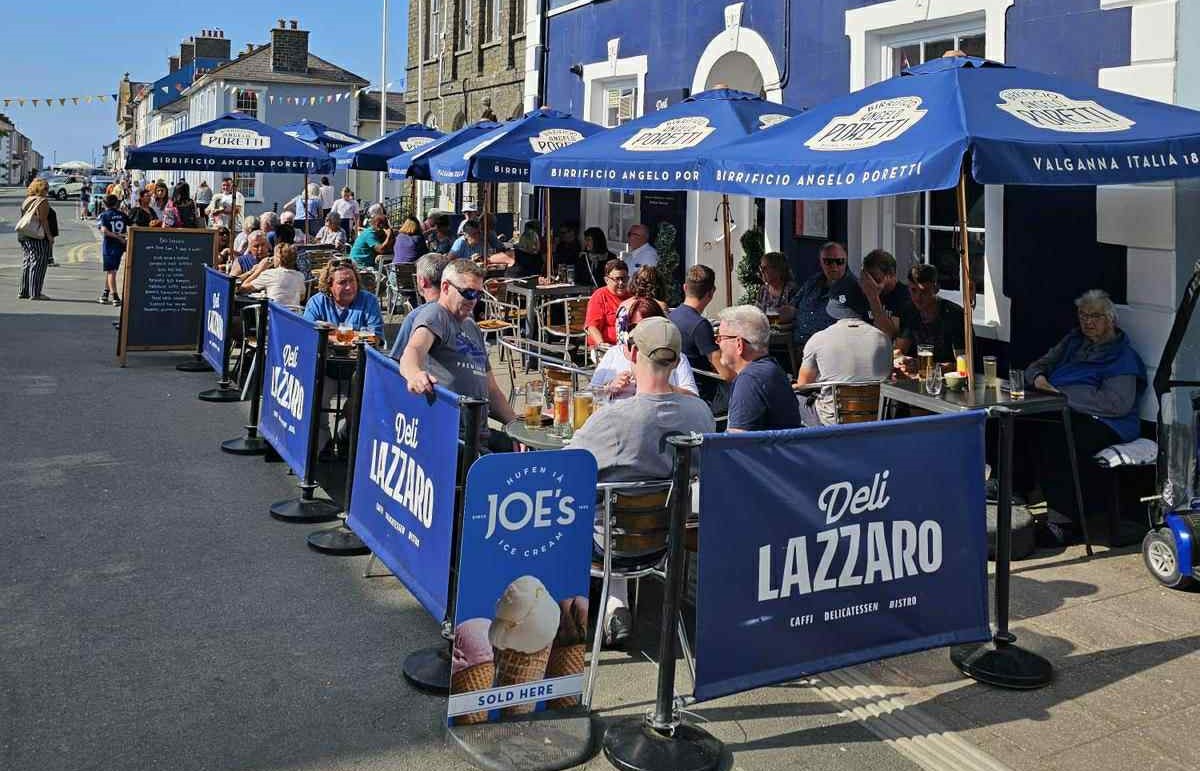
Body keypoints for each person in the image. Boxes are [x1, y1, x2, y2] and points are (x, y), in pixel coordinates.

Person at [568, 316, 714, 646]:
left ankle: (566, 624)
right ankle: (615, 601)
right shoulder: (701, 413)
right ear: (677, 361)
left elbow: (567, 469)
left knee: (580, 509)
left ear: (633, 354)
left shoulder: (613, 418)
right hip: (665, 542)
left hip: (607, 545)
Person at [1018, 289, 1147, 543]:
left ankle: (1063, 523)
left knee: (1059, 439)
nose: (1087, 321)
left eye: (1095, 316)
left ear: (1111, 320)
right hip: (1061, 407)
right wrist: (1039, 379)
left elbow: (1116, 404)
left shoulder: (1122, 357)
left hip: (1107, 422)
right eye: (1083, 315)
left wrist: (1063, 396)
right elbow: (1036, 366)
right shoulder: (1074, 342)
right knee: (1015, 422)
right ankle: (1015, 495)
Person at [398, 259, 518, 452]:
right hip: (452, 438)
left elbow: (492, 390)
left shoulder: (471, 326)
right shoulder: (436, 314)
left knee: (532, 455)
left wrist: (516, 424)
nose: (474, 300)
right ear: (445, 287)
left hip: (480, 433)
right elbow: (413, 351)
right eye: (468, 292)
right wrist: (414, 374)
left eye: (478, 294)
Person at [795, 275, 891, 426]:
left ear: (833, 309)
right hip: (875, 421)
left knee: (796, 398)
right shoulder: (883, 339)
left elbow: (802, 384)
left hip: (830, 424)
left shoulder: (817, 339)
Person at [591, 298, 699, 399]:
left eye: (646, 326)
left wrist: (661, 386)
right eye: (633, 326)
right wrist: (610, 387)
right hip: (616, 416)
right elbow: (591, 393)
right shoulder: (614, 353)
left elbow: (693, 397)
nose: (638, 331)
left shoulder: (673, 356)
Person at [718, 306, 802, 431]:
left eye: (720, 338)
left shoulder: (749, 380)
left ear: (739, 344)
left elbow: (737, 443)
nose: (718, 343)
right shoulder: (771, 369)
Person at [671, 265, 736, 408]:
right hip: (704, 395)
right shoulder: (700, 325)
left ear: (685, 287)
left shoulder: (672, 316)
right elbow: (725, 373)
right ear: (711, 292)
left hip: (676, 387)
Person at [896, 263, 965, 363]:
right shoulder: (909, 311)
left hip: (947, 376)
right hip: (918, 374)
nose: (917, 298)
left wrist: (929, 368)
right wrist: (901, 359)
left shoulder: (954, 314)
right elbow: (900, 350)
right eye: (913, 290)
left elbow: (962, 363)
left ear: (936, 289)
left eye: (924, 292)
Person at [302, 258, 385, 340]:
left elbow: (376, 338)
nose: (348, 287)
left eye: (352, 281)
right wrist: (356, 335)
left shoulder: (369, 301)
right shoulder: (317, 302)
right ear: (329, 285)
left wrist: (337, 332)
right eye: (342, 282)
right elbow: (307, 333)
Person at [389, 252, 452, 358]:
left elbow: (396, 359)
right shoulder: (464, 313)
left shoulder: (416, 317)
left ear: (422, 281)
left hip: (427, 372)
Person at [790, 241, 847, 353]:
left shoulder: (852, 288)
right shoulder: (813, 281)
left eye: (839, 261)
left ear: (845, 261)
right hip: (797, 346)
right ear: (821, 262)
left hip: (829, 352)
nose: (834, 266)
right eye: (828, 262)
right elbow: (793, 305)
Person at [860, 248, 911, 339]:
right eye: (868, 278)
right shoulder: (865, 291)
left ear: (890, 274)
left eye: (876, 279)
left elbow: (890, 335)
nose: (871, 283)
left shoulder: (905, 296)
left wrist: (873, 298)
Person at [238, 243, 307, 307]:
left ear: (278, 259)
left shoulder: (269, 274)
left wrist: (259, 270)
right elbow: (302, 297)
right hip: (293, 315)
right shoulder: (300, 276)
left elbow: (243, 289)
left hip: (275, 315)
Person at [16, 178, 52, 300]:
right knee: (38, 263)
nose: (48, 191)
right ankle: (35, 293)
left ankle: (23, 291)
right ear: (41, 189)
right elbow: (43, 220)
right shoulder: (42, 201)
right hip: (36, 235)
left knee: (27, 262)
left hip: (24, 234)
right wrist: (49, 236)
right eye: (46, 188)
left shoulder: (27, 200)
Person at [585, 259, 631, 347]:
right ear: (606, 280)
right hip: (606, 347)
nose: (621, 283)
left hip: (629, 347)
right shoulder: (599, 296)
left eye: (624, 279)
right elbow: (592, 327)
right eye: (617, 279)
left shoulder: (632, 296)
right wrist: (602, 344)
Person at [96, 194, 129, 306]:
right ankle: (105, 293)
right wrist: (123, 237)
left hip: (109, 245)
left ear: (105, 204)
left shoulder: (103, 215)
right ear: (116, 204)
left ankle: (115, 296)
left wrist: (116, 236)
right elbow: (132, 225)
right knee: (112, 271)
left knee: (111, 271)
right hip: (120, 246)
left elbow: (104, 230)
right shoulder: (122, 215)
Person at [756, 251, 798, 322]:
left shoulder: (791, 290)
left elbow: (796, 317)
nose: (762, 271)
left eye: (765, 268)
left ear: (778, 270)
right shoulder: (763, 290)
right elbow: (756, 313)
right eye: (761, 267)